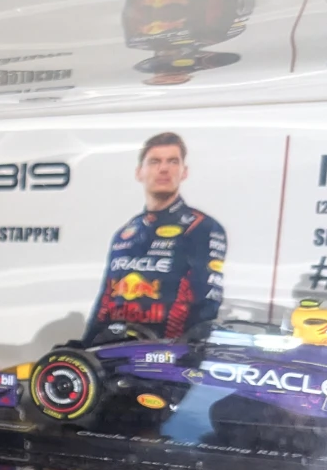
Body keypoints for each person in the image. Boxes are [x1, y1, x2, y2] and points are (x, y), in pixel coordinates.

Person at [82, 132, 225, 344]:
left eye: (173, 161)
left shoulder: (201, 227)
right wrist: (85, 345)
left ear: (184, 172)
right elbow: (105, 300)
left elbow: (207, 304)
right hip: (113, 348)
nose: (164, 169)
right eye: (155, 161)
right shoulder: (125, 232)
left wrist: (184, 351)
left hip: (166, 352)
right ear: (139, 172)